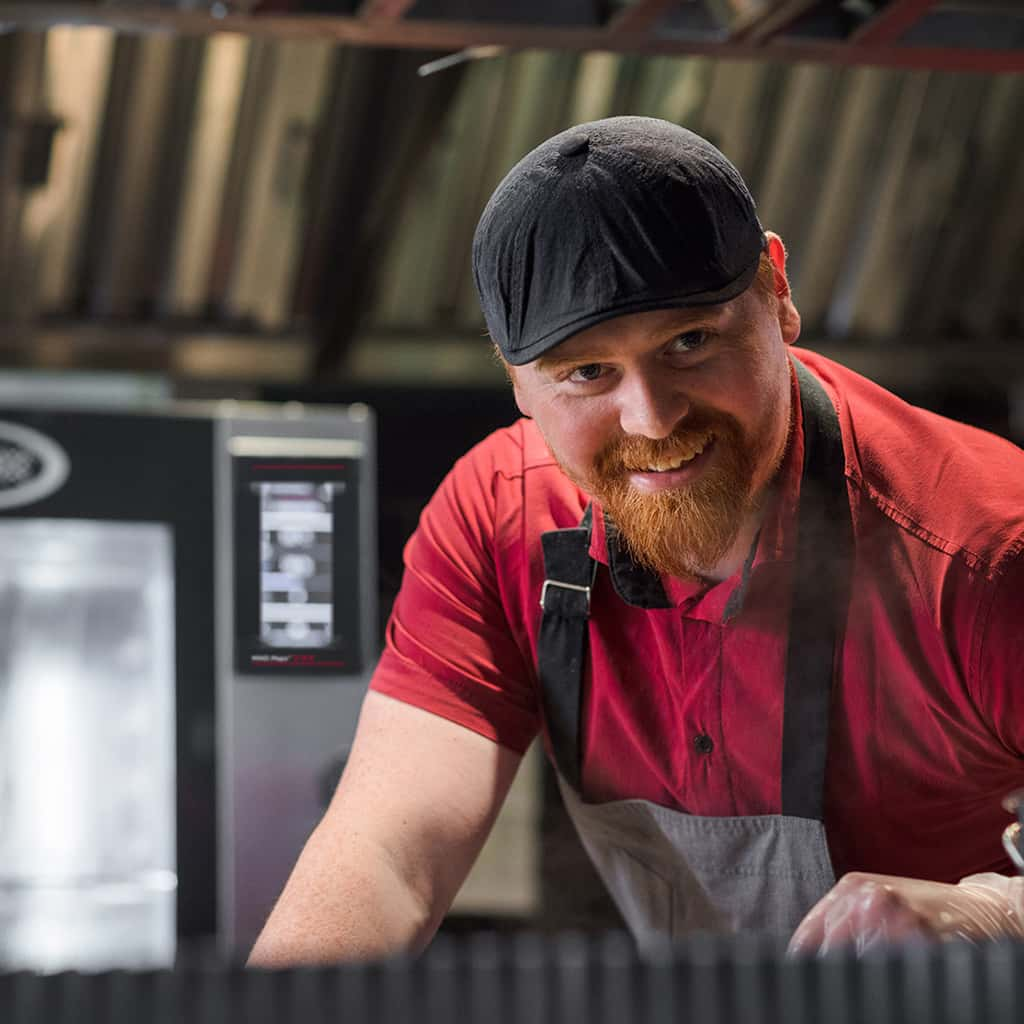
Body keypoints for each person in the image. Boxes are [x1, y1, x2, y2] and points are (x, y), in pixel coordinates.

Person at [248, 116, 1024, 966]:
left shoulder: (985, 553)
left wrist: (989, 916)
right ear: (517, 384)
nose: (653, 418)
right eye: (588, 373)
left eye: (689, 342)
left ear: (776, 289)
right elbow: (389, 855)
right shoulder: (500, 520)